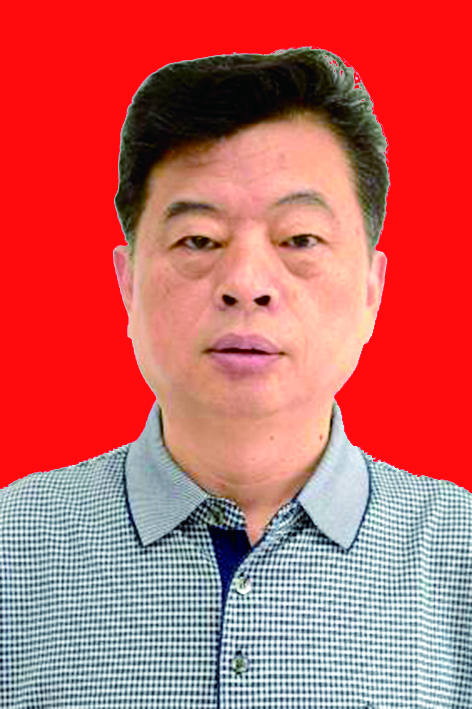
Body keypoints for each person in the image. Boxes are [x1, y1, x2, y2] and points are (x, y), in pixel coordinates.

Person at [1, 48, 471, 708]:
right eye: (199, 239)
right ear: (127, 283)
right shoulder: (13, 548)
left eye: (299, 239)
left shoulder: (458, 554)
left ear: (373, 288)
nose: (246, 283)